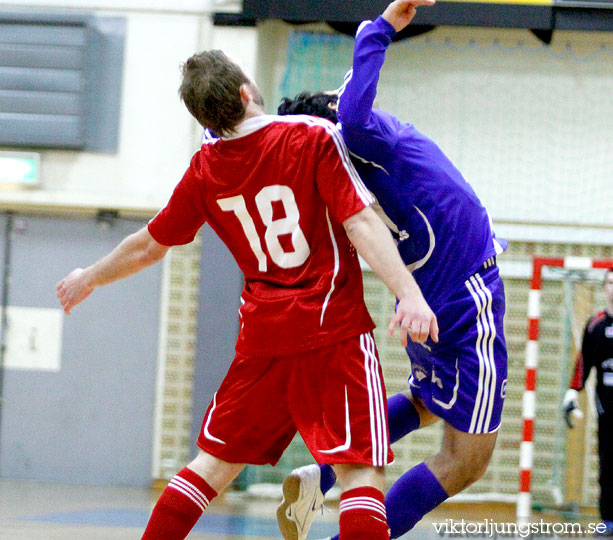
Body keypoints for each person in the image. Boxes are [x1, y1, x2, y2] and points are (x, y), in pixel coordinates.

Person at [56, 48, 439, 540]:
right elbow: (360, 220)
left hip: (263, 338)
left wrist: (89, 276)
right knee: (360, 473)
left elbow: (149, 246)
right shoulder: (309, 135)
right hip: (332, 329)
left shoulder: (204, 168)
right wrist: (408, 293)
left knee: (210, 467)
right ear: (244, 92)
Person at [276, 0, 508, 540]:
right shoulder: (351, 134)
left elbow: (342, 99)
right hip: (463, 292)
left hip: (428, 296)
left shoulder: (330, 136)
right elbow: (353, 110)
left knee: (427, 403)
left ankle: (321, 476)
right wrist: (380, 28)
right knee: (466, 459)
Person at [562, 268, 613, 535]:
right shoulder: (596, 325)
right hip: (607, 412)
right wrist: (572, 393)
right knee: (607, 466)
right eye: (610, 282)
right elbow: (583, 365)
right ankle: (609, 519)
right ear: (604, 287)